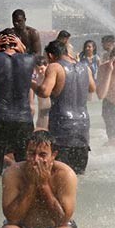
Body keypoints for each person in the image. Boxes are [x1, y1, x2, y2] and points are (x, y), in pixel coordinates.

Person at [0, 130, 78, 228]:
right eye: (31, 153)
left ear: (53, 156)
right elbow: (12, 218)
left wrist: (43, 185)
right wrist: (31, 184)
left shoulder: (65, 174)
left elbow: (62, 220)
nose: (36, 160)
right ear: (26, 153)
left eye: (42, 155)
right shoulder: (13, 173)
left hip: (56, 227)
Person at [0, 29, 37, 176]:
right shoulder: (30, 59)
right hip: (24, 119)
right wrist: (22, 47)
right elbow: (29, 55)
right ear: (18, 43)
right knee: (25, 165)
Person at [35, 41, 94, 174]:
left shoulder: (55, 67)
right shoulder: (85, 67)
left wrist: (33, 84)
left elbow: (45, 91)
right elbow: (92, 88)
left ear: (51, 55)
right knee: (78, 176)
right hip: (83, 128)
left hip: (62, 127)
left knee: (59, 175)